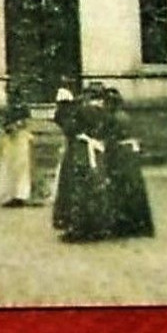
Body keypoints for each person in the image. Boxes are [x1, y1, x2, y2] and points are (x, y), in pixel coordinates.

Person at [52, 85, 113, 242]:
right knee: (97, 185)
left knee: (79, 187)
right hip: (98, 150)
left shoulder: (83, 111)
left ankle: (81, 227)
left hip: (82, 151)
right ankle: (98, 225)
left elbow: (70, 128)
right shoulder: (105, 113)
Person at [99, 87, 154, 237]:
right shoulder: (125, 116)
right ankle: (137, 223)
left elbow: (111, 138)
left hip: (120, 154)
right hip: (129, 154)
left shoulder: (113, 118)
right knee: (133, 187)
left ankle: (123, 225)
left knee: (120, 187)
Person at [0, 104, 34, 207]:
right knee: (9, 167)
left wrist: (19, 126)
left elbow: (27, 123)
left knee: (22, 167)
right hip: (10, 141)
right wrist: (9, 128)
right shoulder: (8, 110)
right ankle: (9, 195)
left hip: (21, 139)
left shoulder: (24, 109)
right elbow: (4, 124)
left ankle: (21, 195)